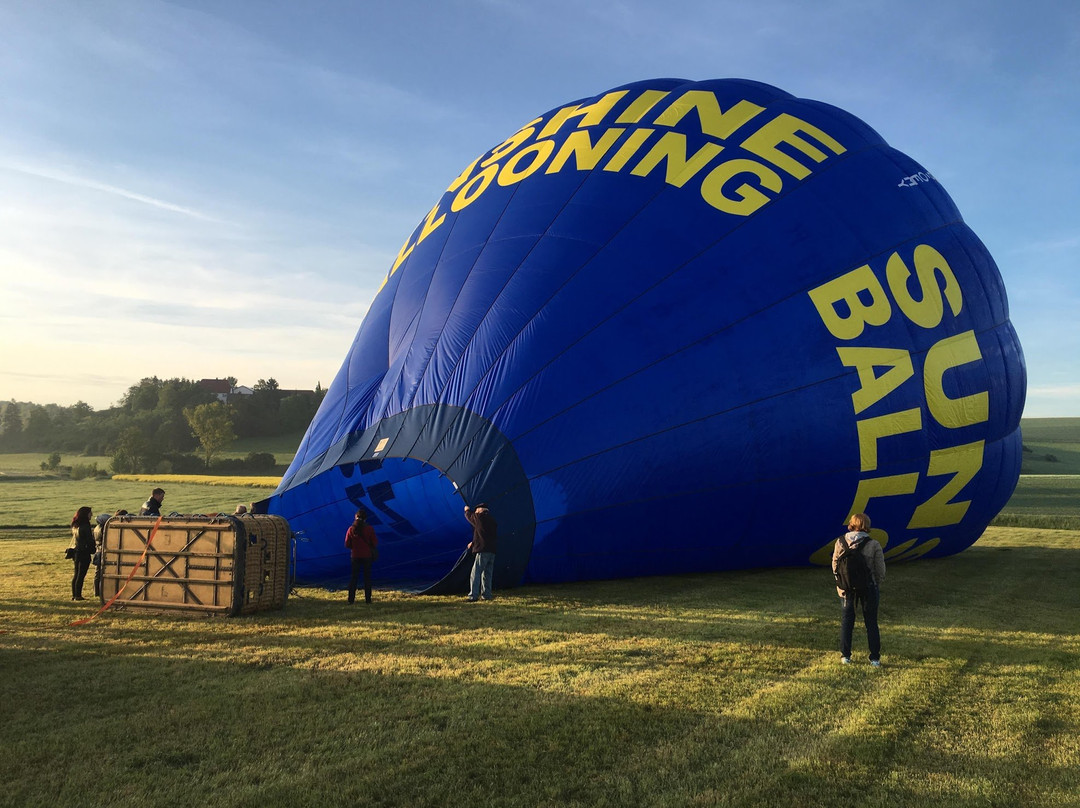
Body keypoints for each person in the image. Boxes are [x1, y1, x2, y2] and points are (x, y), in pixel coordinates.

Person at [832, 512, 886, 666]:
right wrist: (876, 583)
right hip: (868, 587)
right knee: (871, 622)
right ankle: (874, 658)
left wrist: (840, 583)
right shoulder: (874, 544)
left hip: (847, 588)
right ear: (866, 526)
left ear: (851, 524)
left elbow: (835, 565)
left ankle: (845, 655)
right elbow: (880, 570)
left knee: (847, 621)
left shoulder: (840, 542)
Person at [464, 503, 498, 602]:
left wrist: (467, 510)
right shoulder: (492, 520)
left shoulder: (480, 517)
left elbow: (470, 517)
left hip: (482, 551)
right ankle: (486, 595)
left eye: (476, 511)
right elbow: (482, 534)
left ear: (480, 510)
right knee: (487, 574)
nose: (475, 512)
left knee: (476, 573)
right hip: (492, 550)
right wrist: (473, 543)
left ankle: (473, 596)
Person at [344, 509, 378, 604]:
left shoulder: (351, 529)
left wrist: (354, 547)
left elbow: (347, 544)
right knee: (367, 578)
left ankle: (351, 600)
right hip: (367, 556)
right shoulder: (369, 529)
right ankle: (368, 599)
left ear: (355, 517)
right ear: (365, 518)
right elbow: (375, 542)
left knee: (354, 578)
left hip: (355, 556)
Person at [92, 509, 127, 597]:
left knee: (98, 573)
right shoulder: (104, 529)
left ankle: (96, 591)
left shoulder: (96, 528)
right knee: (102, 572)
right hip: (103, 552)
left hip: (98, 551)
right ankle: (100, 591)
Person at [69, 506, 96, 601]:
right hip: (84, 553)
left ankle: (74, 594)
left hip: (76, 552)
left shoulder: (76, 525)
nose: (91, 515)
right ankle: (78, 596)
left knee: (76, 574)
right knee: (81, 575)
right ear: (86, 514)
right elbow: (89, 540)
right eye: (90, 513)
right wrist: (93, 548)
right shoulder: (85, 526)